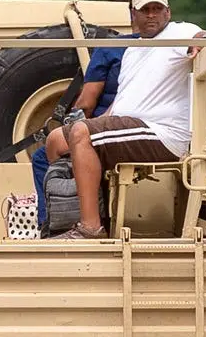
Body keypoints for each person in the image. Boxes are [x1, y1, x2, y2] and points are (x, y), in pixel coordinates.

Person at [43, 0, 206, 240]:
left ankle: (91, 228)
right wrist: (97, 121)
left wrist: (205, 43)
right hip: (129, 127)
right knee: (57, 139)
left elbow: (205, 37)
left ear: (167, 12)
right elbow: (121, 102)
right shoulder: (132, 51)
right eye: (145, 10)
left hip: (161, 133)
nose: (151, 15)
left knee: (81, 134)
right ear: (133, 15)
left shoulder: (179, 33)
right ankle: (72, 219)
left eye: (157, 9)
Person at [31, 31, 136, 230]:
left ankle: (51, 225)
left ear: (134, 14)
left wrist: (73, 118)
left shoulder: (110, 48)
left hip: (103, 129)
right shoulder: (163, 47)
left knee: (42, 157)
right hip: (147, 130)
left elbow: (86, 104)